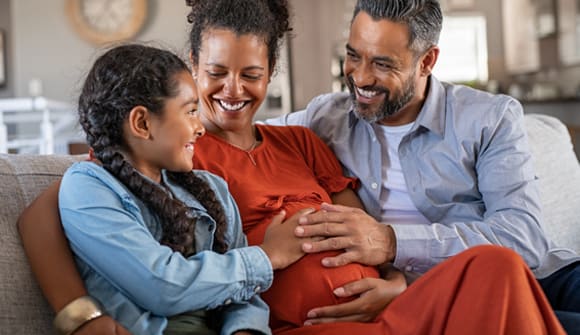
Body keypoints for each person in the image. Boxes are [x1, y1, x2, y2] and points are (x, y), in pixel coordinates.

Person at [16, 1, 567, 335]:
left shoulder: (305, 137)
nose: (233, 91)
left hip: (389, 312)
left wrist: (395, 285)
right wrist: (80, 317)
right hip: (302, 325)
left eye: (251, 74)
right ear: (192, 69)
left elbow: (362, 229)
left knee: (496, 265)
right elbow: (54, 204)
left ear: (272, 72)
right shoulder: (177, 150)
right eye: (216, 73)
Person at [263, 0, 580, 332]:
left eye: (383, 64)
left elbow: (522, 239)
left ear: (427, 61)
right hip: (447, 297)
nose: (360, 76)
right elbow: (242, 132)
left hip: (542, 277)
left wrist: (390, 242)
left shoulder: (489, 118)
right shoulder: (326, 118)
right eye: (353, 55)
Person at [26, 43, 315, 335]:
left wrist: (245, 330)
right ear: (142, 122)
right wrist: (267, 256)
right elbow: (162, 286)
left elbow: (245, 299)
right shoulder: (89, 186)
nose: (200, 127)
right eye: (189, 112)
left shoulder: (212, 188)